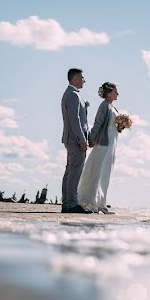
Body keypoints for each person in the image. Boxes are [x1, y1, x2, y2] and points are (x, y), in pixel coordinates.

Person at [77, 82, 120, 214]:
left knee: (105, 174)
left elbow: (112, 126)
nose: (117, 94)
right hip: (103, 144)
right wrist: (91, 138)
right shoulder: (104, 106)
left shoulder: (113, 107)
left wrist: (121, 126)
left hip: (111, 145)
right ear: (108, 93)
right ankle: (91, 202)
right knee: (97, 172)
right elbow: (98, 123)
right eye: (115, 91)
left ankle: (102, 203)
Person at [60, 68, 92, 214]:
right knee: (74, 172)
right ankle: (71, 204)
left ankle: (67, 203)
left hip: (71, 139)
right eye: (82, 77)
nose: (84, 80)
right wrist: (82, 139)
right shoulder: (72, 95)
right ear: (74, 79)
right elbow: (75, 120)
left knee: (70, 171)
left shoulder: (71, 94)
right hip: (75, 140)